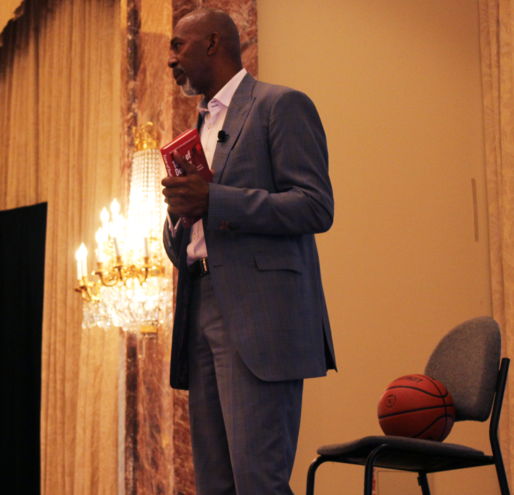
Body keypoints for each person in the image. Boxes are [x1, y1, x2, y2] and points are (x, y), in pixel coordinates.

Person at [162, 8, 336, 495]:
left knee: (258, 482)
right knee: (215, 484)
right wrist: (179, 215)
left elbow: (315, 206)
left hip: (257, 316)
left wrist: (213, 200)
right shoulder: (195, 132)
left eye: (178, 45)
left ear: (213, 43)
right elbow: (190, 234)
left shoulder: (280, 106)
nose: (170, 59)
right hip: (198, 305)